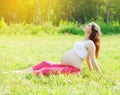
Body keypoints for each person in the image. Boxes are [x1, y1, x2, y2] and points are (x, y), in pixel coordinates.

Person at [14, 22, 102, 76]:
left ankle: (21, 74)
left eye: (89, 25)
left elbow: (92, 60)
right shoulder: (83, 41)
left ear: (91, 31)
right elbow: (88, 60)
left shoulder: (90, 43)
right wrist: (90, 71)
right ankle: (22, 71)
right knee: (45, 63)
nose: (86, 25)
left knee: (45, 70)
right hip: (66, 66)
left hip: (74, 70)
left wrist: (99, 73)